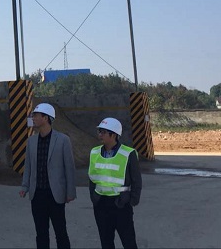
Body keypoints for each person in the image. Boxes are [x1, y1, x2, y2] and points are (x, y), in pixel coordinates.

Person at [19, 103, 76, 249]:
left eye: (36, 115)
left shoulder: (63, 140)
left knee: (60, 232)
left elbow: (69, 168)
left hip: (55, 194)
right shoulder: (31, 141)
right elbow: (28, 166)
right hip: (37, 194)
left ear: (46, 118)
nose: (33, 118)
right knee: (41, 233)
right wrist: (25, 186)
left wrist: (70, 192)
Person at [88, 117, 142, 249]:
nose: (100, 135)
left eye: (103, 132)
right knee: (106, 242)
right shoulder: (94, 152)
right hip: (101, 204)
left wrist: (132, 201)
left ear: (113, 135)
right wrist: (94, 198)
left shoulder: (128, 154)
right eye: (99, 132)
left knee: (128, 242)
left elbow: (136, 180)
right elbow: (92, 178)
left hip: (121, 204)